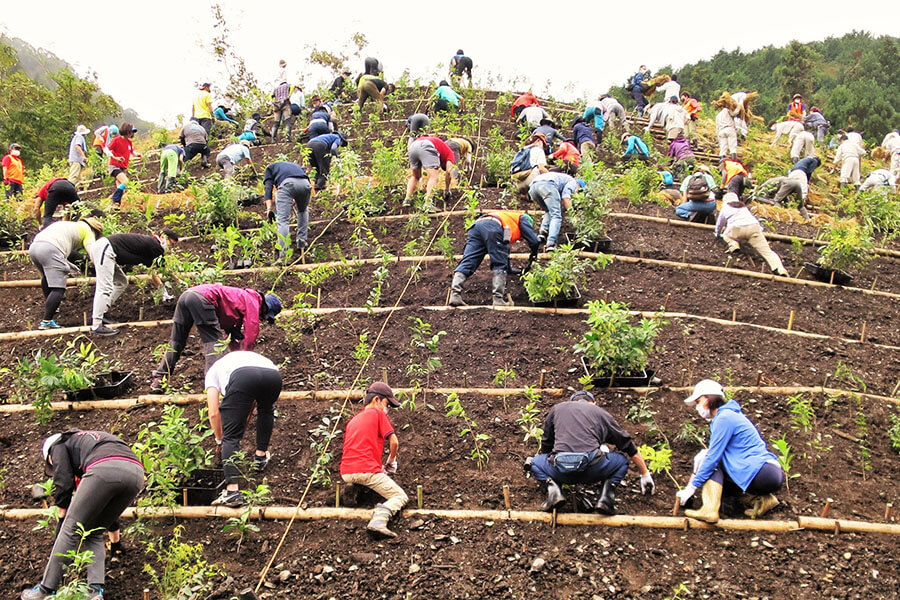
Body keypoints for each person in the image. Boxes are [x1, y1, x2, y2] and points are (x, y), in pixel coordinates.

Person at [20, 431, 144, 600]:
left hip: (103, 468)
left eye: (52, 464)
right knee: (94, 532)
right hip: (136, 473)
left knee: (70, 527)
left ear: (50, 454)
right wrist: (116, 541)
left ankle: (45, 590)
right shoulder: (86, 441)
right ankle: (94, 592)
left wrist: (62, 510)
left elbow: (63, 480)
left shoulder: (58, 444)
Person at [527, 391, 654, 514]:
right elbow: (627, 444)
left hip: (561, 471)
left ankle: (554, 491)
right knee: (621, 461)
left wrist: (548, 464)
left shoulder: (557, 409)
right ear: (594, 403)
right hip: (592, 471)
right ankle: (606, 499)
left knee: (535, 462)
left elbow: (547, 442)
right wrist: (644, 473)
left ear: (572, 402)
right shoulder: (599, 412)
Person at [676, 380, 785, 522]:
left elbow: (712, 458)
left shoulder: (724, 418)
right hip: (768, 472)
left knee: (711, 464)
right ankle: (762, 499)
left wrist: (692, 487)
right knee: (722, 485)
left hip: (759, 471)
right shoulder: (731, 415)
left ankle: (709, 509)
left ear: (709, 398)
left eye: (698, 401)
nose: (697, 407)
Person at [150, 283, 282, 391]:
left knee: (176, 341)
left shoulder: (240, 299)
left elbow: (232, 336)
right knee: (215, 345)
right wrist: (245, 361)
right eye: (264, 316)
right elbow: (251, 333)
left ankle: (159, 379)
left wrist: (236, 357)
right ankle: (213, 386)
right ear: (265, 307)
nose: (262, 318)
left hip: (187, 296)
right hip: (203, 299)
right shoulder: (253, 301)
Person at [204, 351, 283, 506]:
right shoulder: (232, 362)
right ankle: (260, 457)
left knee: (230, 436)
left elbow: (213, 413)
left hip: (243, 377)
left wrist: (220, 440)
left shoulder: (211, 374)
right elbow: (248, 405)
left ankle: (232, 492)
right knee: (266, 409)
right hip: (273, 374)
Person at [340, 382, 408, 538]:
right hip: (366, 470)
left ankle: (353, 493)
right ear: (377, 400)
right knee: (400, 496)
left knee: (368, 479)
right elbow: (394, 441)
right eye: (387, 403)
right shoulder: (377, 414)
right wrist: (391, 461)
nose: (387, 409)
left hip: (346, 472)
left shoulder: (353, 420)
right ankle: (378, 521)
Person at [89, 231, 178, 336]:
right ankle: (96, 325)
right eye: (171, 244)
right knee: (105, 287)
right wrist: (179, 282)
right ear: (163, 237)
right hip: (105, 249)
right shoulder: (155, 246)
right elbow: (165, 270)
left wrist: (163, 291)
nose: (170, 248)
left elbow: (153, 272)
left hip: (107, 251)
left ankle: (103, 311)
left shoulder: (151, 247)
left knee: (121, 282)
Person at [449, 210, 540, 307]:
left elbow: (504, 252)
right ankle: (498, 299)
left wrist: (509, 269)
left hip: (476, 227)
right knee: (499, 264)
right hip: (492, 227)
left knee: (468, 261)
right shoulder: (523, 219)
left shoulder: (506, 219)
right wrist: (533, 257)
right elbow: (534, 241)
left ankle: (455, 295)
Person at [28, 216, 104, 329]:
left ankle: (53, 307)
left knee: (47, 277)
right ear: (96, 231)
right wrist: (102, 267)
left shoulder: (70, 225)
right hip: (50, 248)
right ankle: (47, 321)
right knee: (58, 288)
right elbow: (92, 253)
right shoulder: (88, 231)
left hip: (34, 248)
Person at [715, 194, 789, 276]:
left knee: (726, 235)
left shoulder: (725, 207)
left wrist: (717, 233)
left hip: (737, 229)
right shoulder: (743, 207)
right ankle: (779, 268)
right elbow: (753, 219)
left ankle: (733, 244)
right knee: (767, 252)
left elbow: (720, 223)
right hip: (754, 228)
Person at [263, 161, 312, 257]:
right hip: (305, 184)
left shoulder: (269, 169)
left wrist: (269, 209)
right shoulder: (294, 166)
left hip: (287, 185)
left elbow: (268, 189)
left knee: (283, 220)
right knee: (303, 210)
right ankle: (302, 241)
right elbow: (302, 181)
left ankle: (284, 255)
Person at [528, 172, 584, 251]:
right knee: (556, 215)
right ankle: (551, 243)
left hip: (533, 187)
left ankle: (543, 233)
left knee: (549, 210)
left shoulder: (563, 179)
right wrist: (573, 215)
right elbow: (566, 198)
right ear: (579, 185)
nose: (577, 193)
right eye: (579, 191)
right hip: (547, 185)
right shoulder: (573, 182)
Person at [404, 136, 457, 211]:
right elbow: (449, 172)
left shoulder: (442, 148)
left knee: (415, 176)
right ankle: (428, 204)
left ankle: (407, 199)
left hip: (413, 146)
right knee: (434, 177)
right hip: (426, 145)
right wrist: (447, 189)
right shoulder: (450, 154)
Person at [105, 122, 141, 207]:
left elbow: (132, 151)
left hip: (123, 167)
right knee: (125, 182)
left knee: (121, 188)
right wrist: (114, 157)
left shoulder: (129, 142)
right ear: (126, 131)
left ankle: (115, 205)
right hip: (115, 166)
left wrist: (137, 154)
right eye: (131, 131)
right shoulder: (116, 140)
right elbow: (106, 149)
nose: (132, 134)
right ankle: (113, 198)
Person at [714, 94, 741, 159]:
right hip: (729, 129)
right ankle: (734, 160)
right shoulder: (727, 110)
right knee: (732, 146)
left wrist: (718, 138)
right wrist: (738, 108)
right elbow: (733, 113)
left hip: (721, 131)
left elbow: (717, 128)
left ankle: (722, 160)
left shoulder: (718, 116)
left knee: (723, 147)